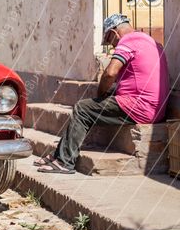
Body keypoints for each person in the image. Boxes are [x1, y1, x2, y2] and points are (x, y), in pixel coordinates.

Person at [37, 14, 170, 173]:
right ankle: (58, 154)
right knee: (97, 102)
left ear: (114, 33)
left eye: (109, 40)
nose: (112, 46)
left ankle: (64, 162)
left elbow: (110, 73)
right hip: (156, 108)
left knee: (82, 109)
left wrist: (101, 93)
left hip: (139, 106)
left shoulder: (127, 41)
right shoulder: (152, 42)